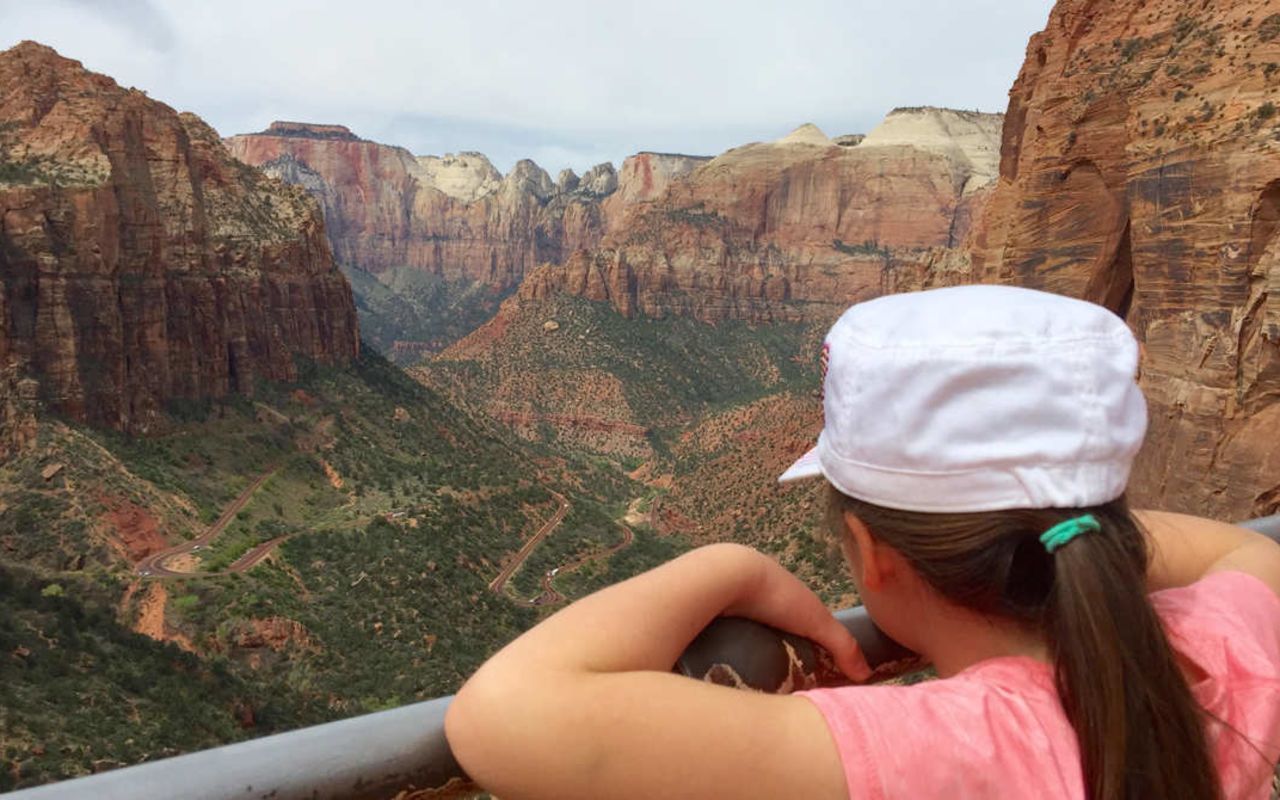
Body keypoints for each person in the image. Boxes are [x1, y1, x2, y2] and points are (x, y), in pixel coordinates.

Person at [444, 285, 1280, 799]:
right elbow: (1244, 555)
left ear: (871, 552)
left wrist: (725, 564)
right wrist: (1080, 530)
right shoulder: (1232, 648)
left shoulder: (929, 752)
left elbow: (500, 716)